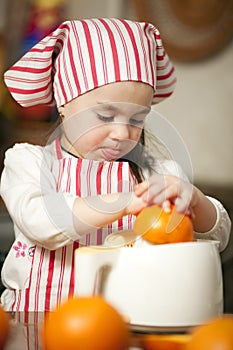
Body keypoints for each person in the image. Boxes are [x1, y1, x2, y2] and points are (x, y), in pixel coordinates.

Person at [0, 18, 231, 312]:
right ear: (64, 102)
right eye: (106, 117)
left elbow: (217, 236)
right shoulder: (28, 162)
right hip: (32, 323)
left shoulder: (156, 175)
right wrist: (124, 201)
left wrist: (195, 201)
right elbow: (41, 221)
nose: (123, 134)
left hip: (125, 328)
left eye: (137, 119)